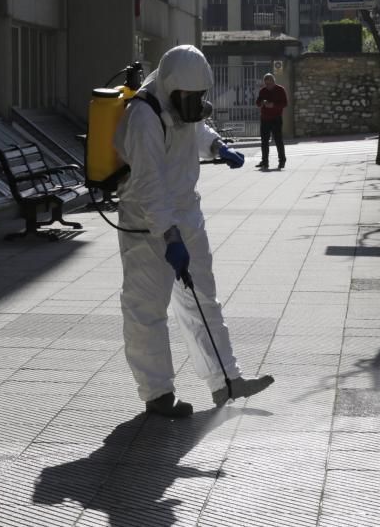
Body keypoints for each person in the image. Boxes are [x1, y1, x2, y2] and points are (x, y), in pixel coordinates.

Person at [113, 45, 275, 418]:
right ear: (171, 88)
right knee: (146, 308)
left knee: (203, 300)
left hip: (186, 213)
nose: (196, 104)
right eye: (191, 97)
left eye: (200, 97)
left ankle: (226, 381)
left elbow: (196, 128)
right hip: (145, 223)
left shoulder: (178, 106)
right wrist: (169, 236)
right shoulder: (143, 115)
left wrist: (217, 146)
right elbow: (149, 185)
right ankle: (157, 394)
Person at [255, 72, 288, 170]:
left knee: (278, 140)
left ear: (274, 81)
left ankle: (282, 161)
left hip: (276, 118)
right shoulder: (263, 91)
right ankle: (265, 162)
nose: (268, 86)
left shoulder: (280, 90)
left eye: (269, 83)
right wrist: (262, 102)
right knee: (264, 141)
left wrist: (273, 105)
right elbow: (258, 102)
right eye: (266, 84)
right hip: (265, 119)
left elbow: (285, 103)